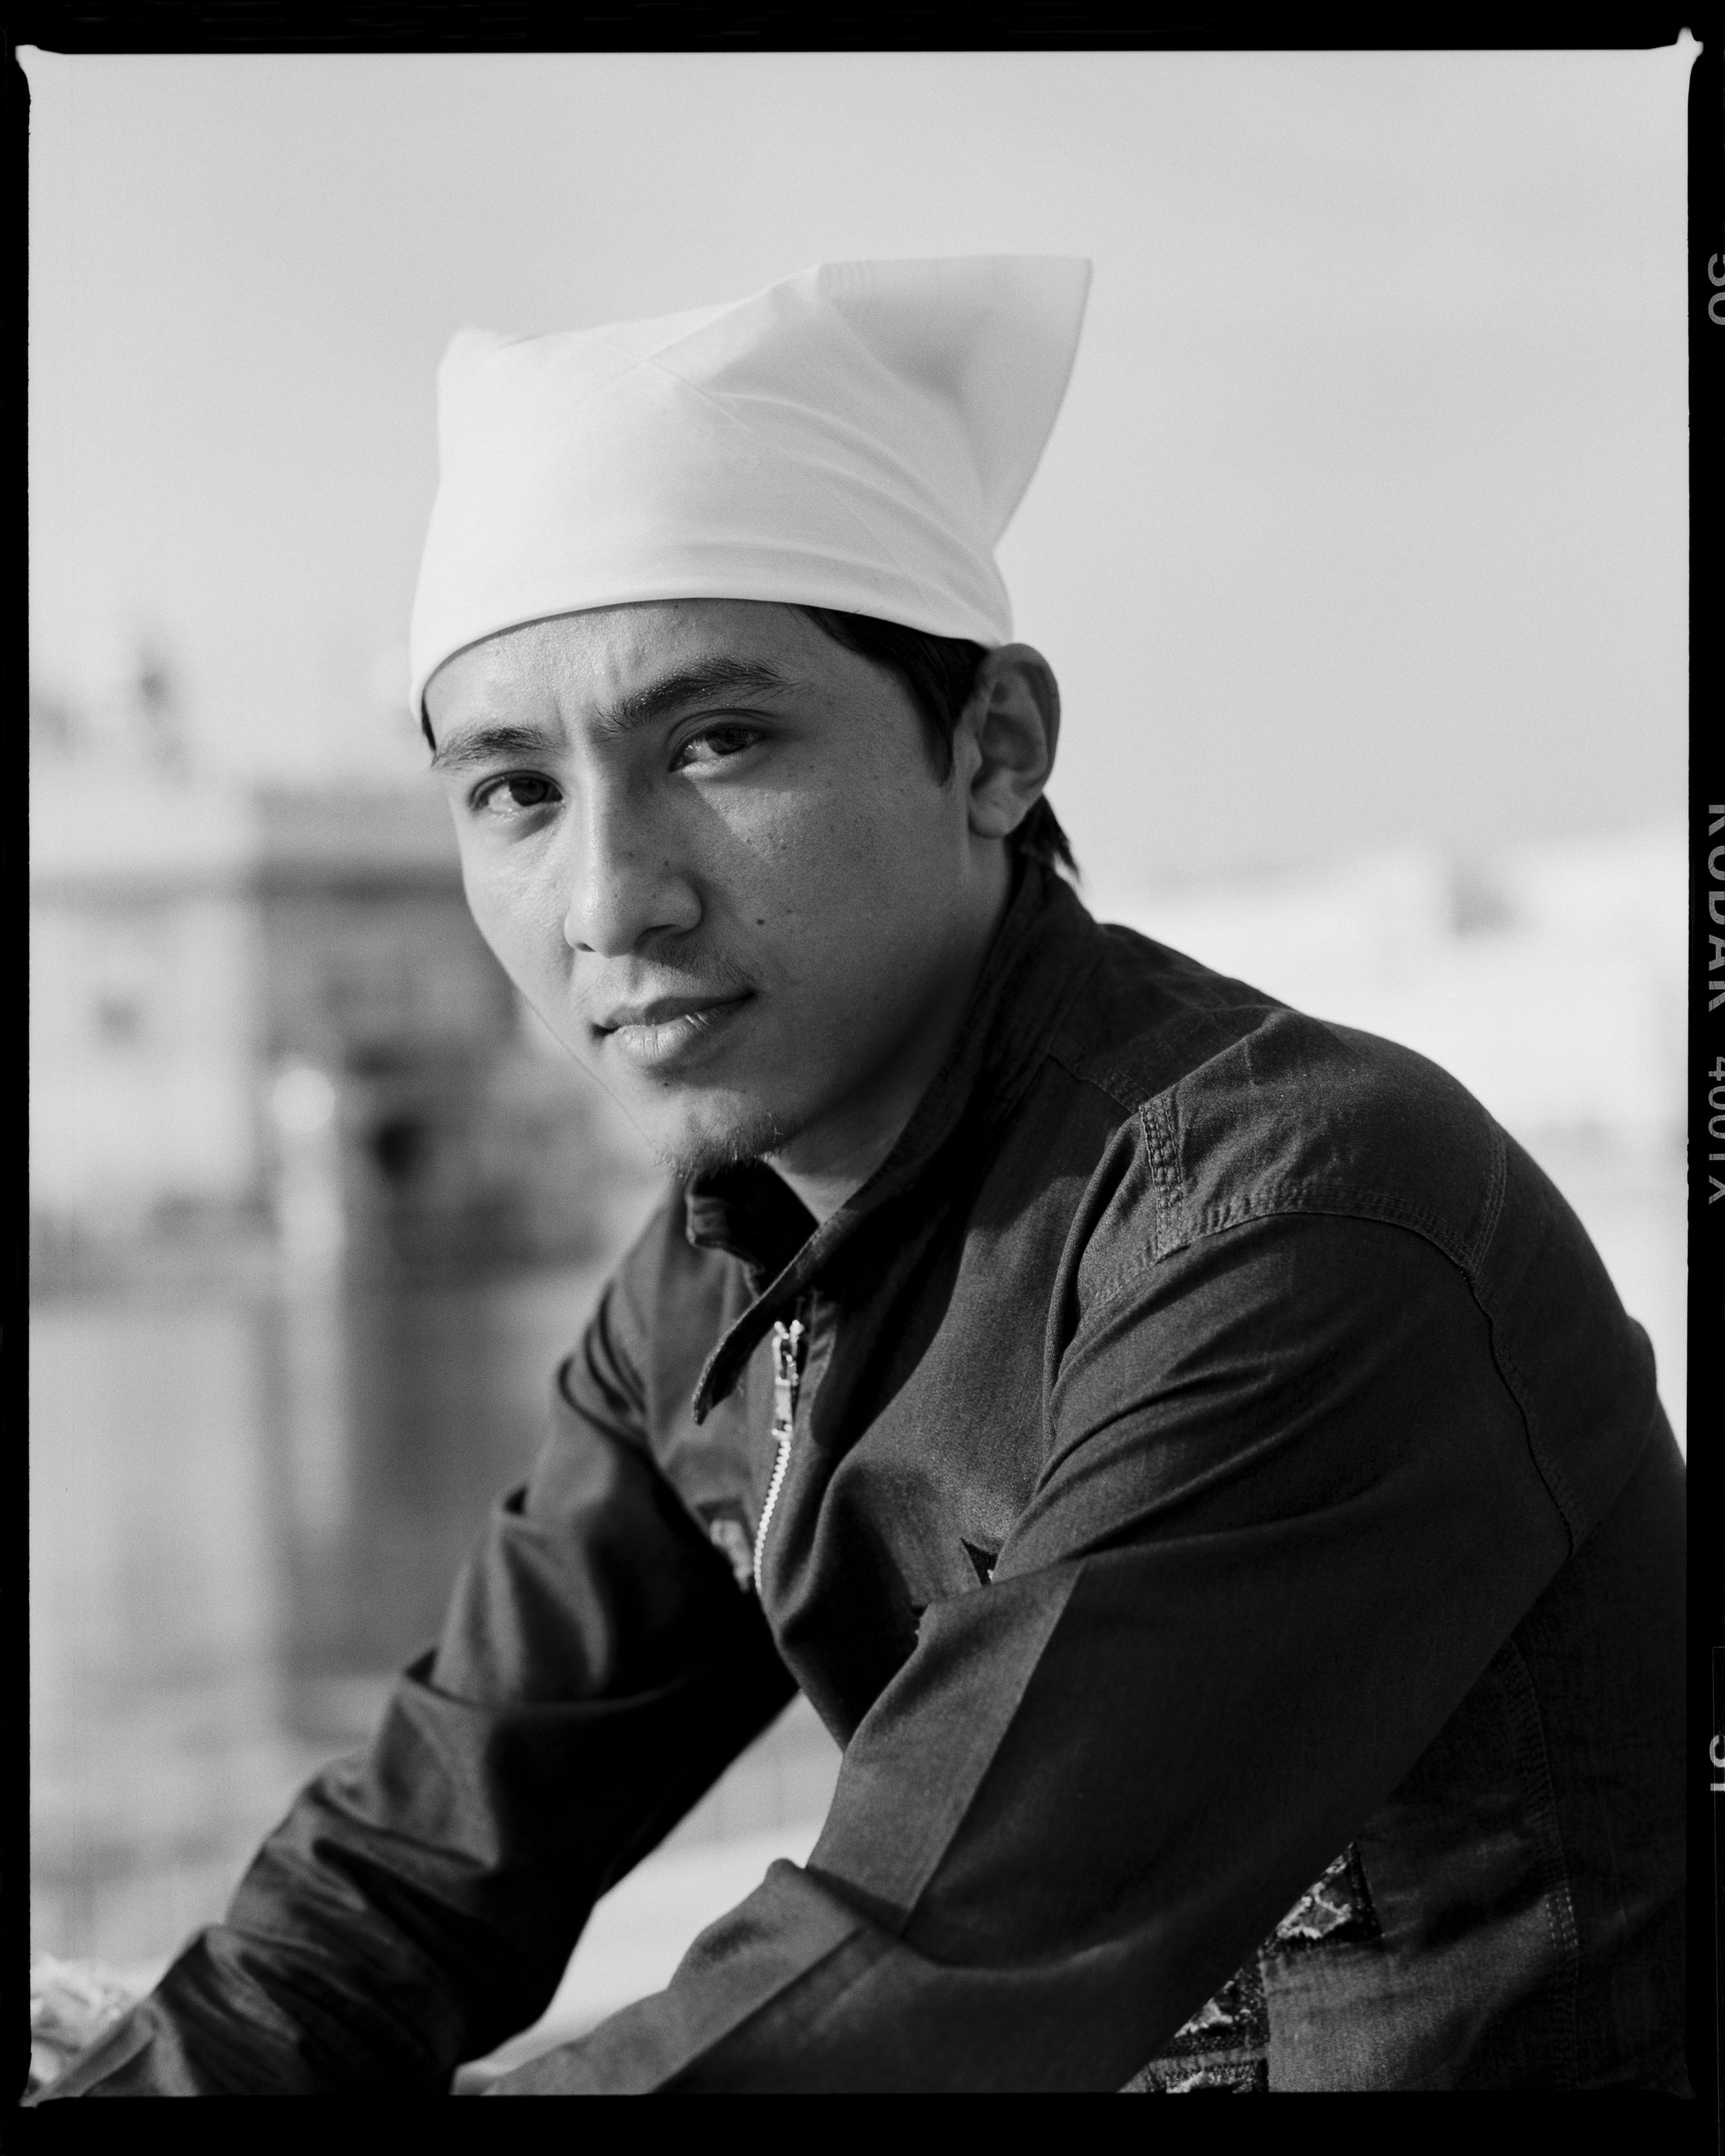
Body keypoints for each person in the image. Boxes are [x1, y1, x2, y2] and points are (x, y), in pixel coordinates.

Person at [39, 257, 1686, 2097]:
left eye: (716, 742)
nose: (609, 902)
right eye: (515, 793)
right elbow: (418, 1868)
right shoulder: (720, 1272)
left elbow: (909, 1988)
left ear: (992, 748)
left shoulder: (1289, 1226)